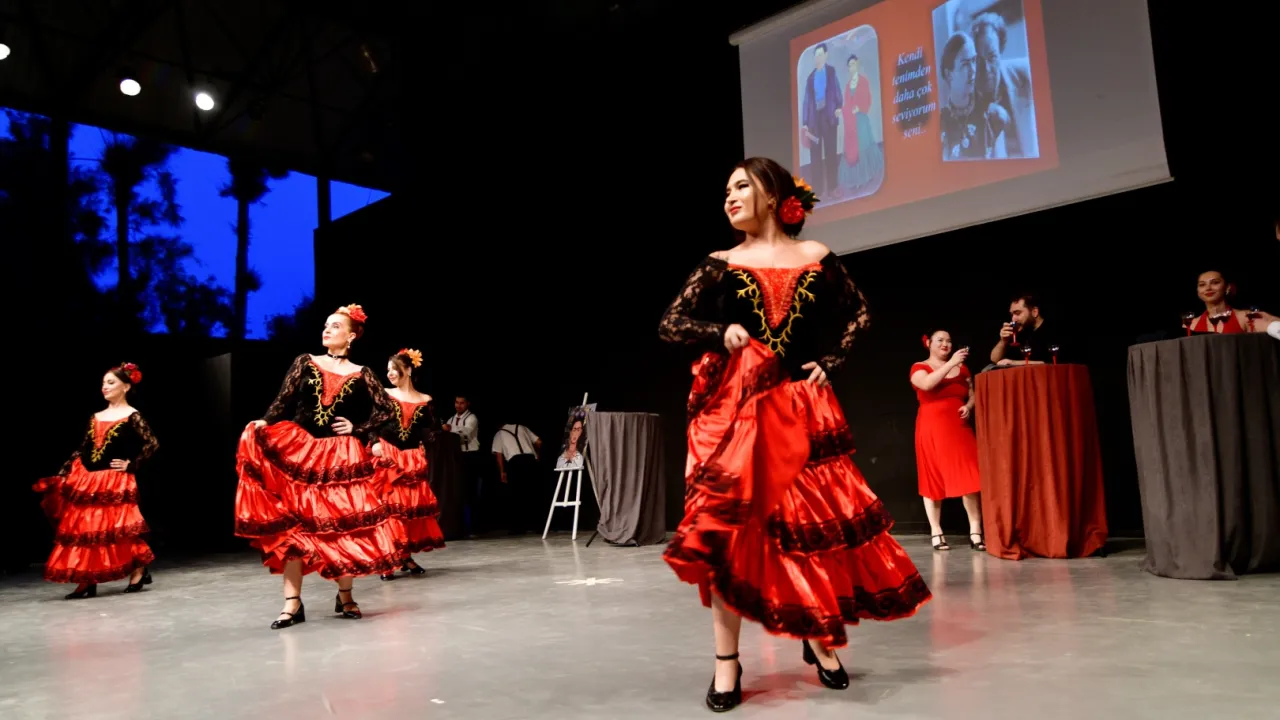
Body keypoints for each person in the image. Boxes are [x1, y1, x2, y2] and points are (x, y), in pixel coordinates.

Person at [658, 157, 931, 712]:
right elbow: (671, 323)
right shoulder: (720, 263)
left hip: (802, 411)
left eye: (740, 186)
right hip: (738, 416)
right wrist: (720, 331)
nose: (729, 197)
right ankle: (727, 662)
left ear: (771, 192)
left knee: (808, 532)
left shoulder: (815, 255)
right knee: (729, 539)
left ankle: (816, 634)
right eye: (726, 190)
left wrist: (831, 361)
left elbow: (860, 314)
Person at [234, 304, 404, 629]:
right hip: (301, 450)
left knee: (343, 528)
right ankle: (292, 603)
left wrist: (358, 428)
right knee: (295, 529)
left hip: (340, 456)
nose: (327, 329)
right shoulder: (305, 361)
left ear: (351, 336)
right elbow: (283, 399)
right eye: (326, 325)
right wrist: (265, 421)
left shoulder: (363, 372)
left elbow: (386, 410)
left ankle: (345, 596)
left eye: (335, 326)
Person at [33, 363, 158, 599]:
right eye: (103, 383)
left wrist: (132, 464)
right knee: (86, 530)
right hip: (89, 478)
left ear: (126, 387)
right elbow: (84, 447)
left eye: (111, 382)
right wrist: (64, 471)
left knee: (118, 530)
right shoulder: (96, 416)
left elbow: (152, 443)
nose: (105, 387)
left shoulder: (132, 415)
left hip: (114, 479)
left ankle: (138, 570)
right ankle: (87, 580)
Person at [372, 348, 445, 581]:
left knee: (408, 510)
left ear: (409, 370)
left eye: (395, 369)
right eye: (388, 370)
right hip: (389, 455)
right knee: (390, 509)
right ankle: (390, 558)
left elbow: (430, 428)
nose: (390, 373)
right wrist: (374, 443)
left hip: (411, 457)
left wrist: (427, 442)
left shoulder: (425, 399)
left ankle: (404, 555)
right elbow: (371, 422)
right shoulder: (384, 394)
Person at [910, 331, 984, 552]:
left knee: (970, 476)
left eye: (949, 340)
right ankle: (936, 532)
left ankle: (976, 531)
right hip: (931, 427)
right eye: (940, 340)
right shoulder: (919, 367)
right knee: (932, 478)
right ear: (928, 343)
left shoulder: (963, 369)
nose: (945, 343)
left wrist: (968, 406)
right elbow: (926, 385)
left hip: (958, 427)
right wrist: (951, 363)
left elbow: (973, 393)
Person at [492, 422, 542, 534]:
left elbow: (498, 454)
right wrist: (537, 454)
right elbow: (539, 442)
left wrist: (502, 472)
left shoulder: (499, 434)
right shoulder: (522, 427)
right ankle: (538, 525)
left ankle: (519, 527)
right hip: (530, 460)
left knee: (517, 495)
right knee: (534, 493)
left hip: (515, 463)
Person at [1188, 270, 1275, 334]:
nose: (1208, 288)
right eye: (1202, 285)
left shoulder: (1245, 317)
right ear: (1198, 292)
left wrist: (1269, 318)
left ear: (1227, 287)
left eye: (1215, 282)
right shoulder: (1190, 324)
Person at [443, 394, 483, 534]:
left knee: (472, 491)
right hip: (457, 457)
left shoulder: (471, 418)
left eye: (462, 403)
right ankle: (461, 526)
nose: (458, 405)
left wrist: (449, 429)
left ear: (467, 404)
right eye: (457, 402)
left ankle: (475, 527)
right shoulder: (451, 419)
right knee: (459, 491)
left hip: (470, 456)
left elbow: (465, 433)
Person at [990, 294, 1064, 365]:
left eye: (1017, 313)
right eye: (1012, 314)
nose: (1013, 319)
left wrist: (1014, 363)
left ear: (1034, 312)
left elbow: (1054, 362)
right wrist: (1003, 341)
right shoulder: (1020, 332)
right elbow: (995, 359)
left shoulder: (1054, 330)